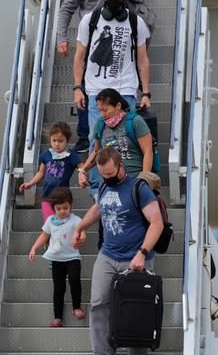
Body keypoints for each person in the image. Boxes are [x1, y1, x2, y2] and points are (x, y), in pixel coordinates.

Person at [56, 0, 146, 153]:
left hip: (121, 33)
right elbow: (67, 7)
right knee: (88, 90)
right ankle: (86, 137)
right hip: (90, 37)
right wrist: (61, 37)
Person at [71, 146, 165, 355]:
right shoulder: (104, 185)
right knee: (98, 304)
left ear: (121, 167)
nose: (107, 178)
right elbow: (99, 208)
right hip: (108, 255)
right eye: (103, 175)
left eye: (111, 174)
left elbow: (156, 223)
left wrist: (142, 253)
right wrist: (80, 227)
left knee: (137, 309)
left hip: (135, 257)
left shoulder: (138, 188)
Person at [73, 0, 151, 167]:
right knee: (96, 140)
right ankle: (96, 189)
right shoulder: (89, 20)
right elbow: (79, 56)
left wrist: (146, 92)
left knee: (126, 141)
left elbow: (142, 59)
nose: (113, 3)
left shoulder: (136, 22)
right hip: (96, 90)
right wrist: (77, 87)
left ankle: (127, 182)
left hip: (126, 90)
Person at [27, 187, 86, 327]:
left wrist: (81, 239)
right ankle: (57, 317)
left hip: (72, 258)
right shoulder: (50, 221)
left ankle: (76, 307)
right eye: (58, 209)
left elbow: (82, 233)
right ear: (53, 208)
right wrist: (34, 248)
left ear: (70, 205)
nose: (62, 211)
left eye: (66, 208)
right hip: (57, 260)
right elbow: (44, 235)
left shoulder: (76, 220)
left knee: (74, 280)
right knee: (58, 288)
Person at [77, 88, 153, 196]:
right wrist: (83, 170)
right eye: (100, 110)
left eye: (106, 110)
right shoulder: (100, 124)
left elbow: (148, 152)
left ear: (118, 105)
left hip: (134, 180)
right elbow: (96, 152)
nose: (102, 114)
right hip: (110, 183)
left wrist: (144, 181)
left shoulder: (135, 121)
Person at [19, 122, 81, 220]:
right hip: (47, 195)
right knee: (50, 223)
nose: (56, 144)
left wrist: (81, 174)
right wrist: (30, 183)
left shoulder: (71, 156)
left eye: (60, 141)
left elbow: (81, 166)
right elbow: (41, 173)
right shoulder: (47, 154)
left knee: (63, 222)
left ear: (67, 141)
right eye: (54, 140)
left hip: (63, 197)